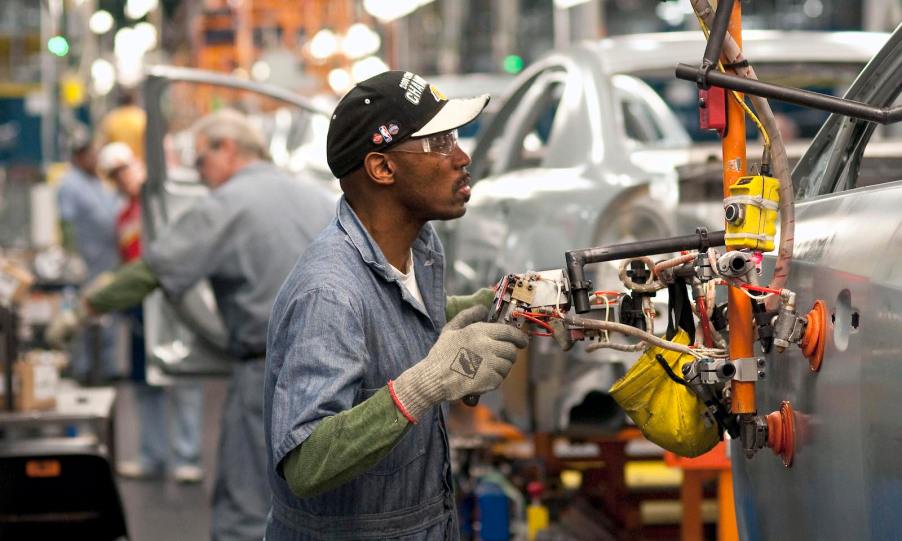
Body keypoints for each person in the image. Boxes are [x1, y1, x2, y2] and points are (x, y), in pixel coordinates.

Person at [264, 70, 528, 540]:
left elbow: (391, 322)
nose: (462, 158)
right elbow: (305, 463)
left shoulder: (419, 248)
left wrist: (492, 305)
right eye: (441, 143)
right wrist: (426, 383)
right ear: (383, 168)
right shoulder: (329, 294)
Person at [50, 110, 336, 541]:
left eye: (201, 162)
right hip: (340, 372)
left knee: (246, 508)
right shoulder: (319, 198)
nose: (200, 177)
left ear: (227, 148)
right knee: (327, 504)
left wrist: (82, 310)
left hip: (269, 376)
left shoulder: (226, 204)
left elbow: (155, 271)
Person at [96, 142, 205, 484]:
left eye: (126, 169)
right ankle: (152, 455)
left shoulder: (164, 205)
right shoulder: (124, 215)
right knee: (145, 384)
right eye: (116, 175)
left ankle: (189, 456)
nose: (123, 179)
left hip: (173, 303)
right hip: (141, 308)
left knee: (184, 377)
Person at [56, 128, 121, 383]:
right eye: (89, 154)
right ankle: (82, 368)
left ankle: (106, 367)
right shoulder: (70, 184)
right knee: (82, 316)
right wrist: (72, 259)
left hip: (106, 259)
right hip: (87, 261)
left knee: (106, 316)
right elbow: (66, 224)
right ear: (78, 156)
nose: (94, 158)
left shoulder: (95, 181)